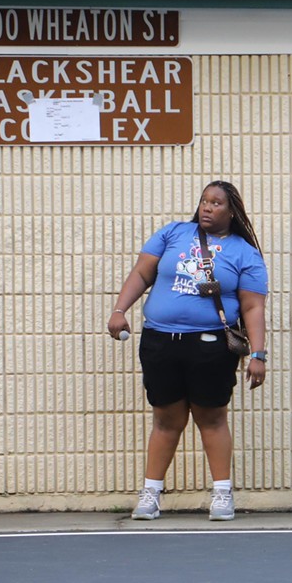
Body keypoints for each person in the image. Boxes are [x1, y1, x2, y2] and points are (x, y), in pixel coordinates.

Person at [108, 180, 268, 522]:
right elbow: (141, 273)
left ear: (232, 211)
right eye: (204, 201)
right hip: (160, 341)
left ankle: (222, 494)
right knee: (166, 419)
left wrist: (258, 354)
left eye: (216, 203)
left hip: (210, 345)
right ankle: (151, 493)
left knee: (211, 417)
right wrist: (120, 310)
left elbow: (253, 307)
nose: (207, 207)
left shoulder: (244, 252)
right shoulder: (173, 234)